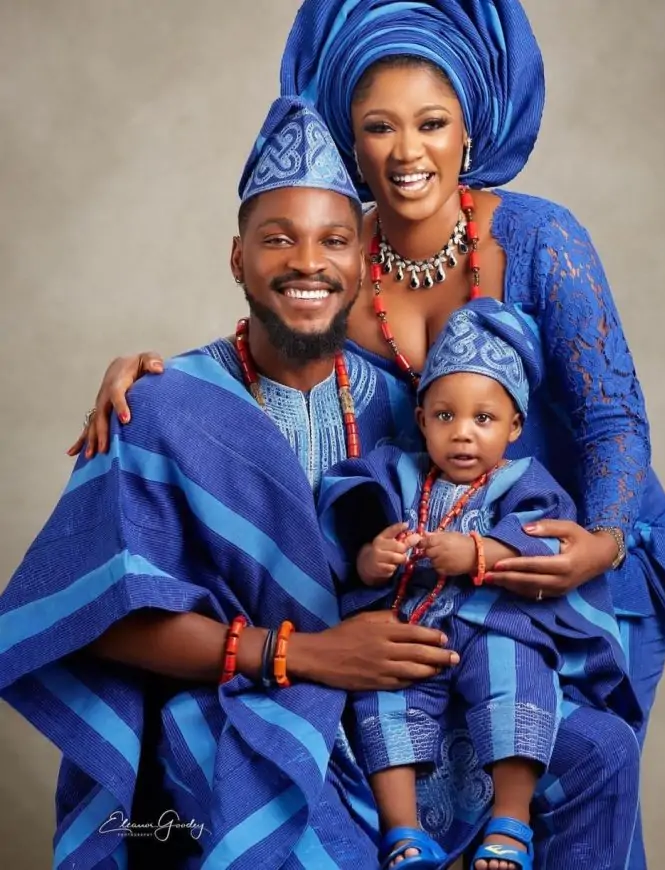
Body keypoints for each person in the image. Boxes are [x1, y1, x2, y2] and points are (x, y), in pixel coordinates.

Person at [68, 1, 665, 866]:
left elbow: (611, 418)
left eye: (432, 122)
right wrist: (147, 372)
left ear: (470, 130)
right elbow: (271, 350)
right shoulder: (340, 252)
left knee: (584, 761)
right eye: (380, 126)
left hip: (557, 563)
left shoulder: (539, 239)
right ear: (354, 141)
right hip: (422, 575)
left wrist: (599, 541)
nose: (408, 151)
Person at [0, 96, 467, 870]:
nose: (309, 262)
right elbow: (98, 616)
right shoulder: (160, 405)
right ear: (236, 259)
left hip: (391, 708)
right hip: (230, 706)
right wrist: (307, 656)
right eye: (278, 238)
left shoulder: (411, 408)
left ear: (362, 262)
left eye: (334, 240)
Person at [318, 298, 640, 870]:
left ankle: (510, 821)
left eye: (483, 420)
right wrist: (374, 557)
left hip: (495, 624)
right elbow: (350, 533)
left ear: (514, 426)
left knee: (518, 676)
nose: (463, 434)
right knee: (383, 696)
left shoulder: (525, 482)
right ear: (422, 419)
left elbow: (544, 543)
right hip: (415, 627)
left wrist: (476, 552)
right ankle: (403, 833)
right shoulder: (395, 472)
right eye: (445, 416)